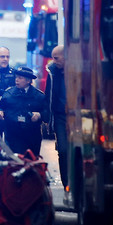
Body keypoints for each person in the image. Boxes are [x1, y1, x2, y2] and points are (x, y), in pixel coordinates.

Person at [0, 66, 48, 158]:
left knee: (31, 165)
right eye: (16, 77)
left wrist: (39, 115)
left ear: (28, 81)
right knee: (13, 165)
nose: (17, 80)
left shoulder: (39, 96)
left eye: (20, 78)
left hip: (32, 136)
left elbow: (48, 113)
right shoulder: (8, 94)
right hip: (12, 135)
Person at [45, 45, 68, 190]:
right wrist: (47, 118)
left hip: (76, 117)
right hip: (60, 117)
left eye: (56, 58)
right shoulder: (52, 72)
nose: (53, 61)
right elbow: (48, 96)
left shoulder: (77, 71)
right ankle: (67, 185)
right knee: (63, 150)